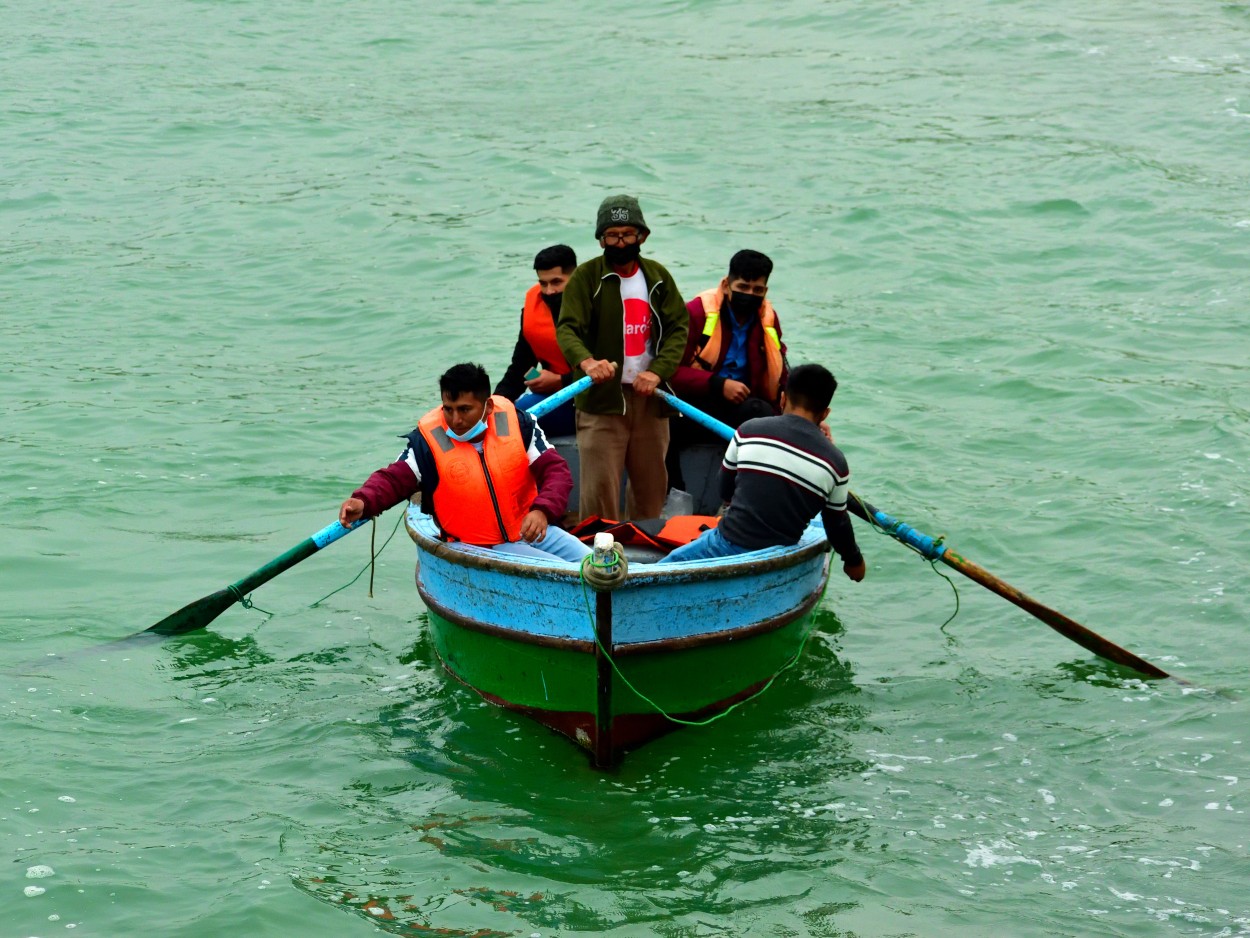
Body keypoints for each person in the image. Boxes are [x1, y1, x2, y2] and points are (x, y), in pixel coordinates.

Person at [339, 362, 590, 562]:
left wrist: (542, 511)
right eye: (448, 409)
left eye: (464, 409)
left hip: (532, 531)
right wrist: (363, 500)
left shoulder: (519, 425)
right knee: (562, 572)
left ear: (488, 406)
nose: (455, 419)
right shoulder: (428, 443)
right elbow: (393, 479)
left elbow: (556, 472)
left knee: (593, 563)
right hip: (483, 548)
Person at [658, 363, 866, 582]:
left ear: (783, 399)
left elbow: (725, 487)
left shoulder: (749, 430)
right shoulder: (836, 462)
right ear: (825, 414)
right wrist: (854, 561)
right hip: (780, 549)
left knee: (666, 566)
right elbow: (837, 523)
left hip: (728, 541)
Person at [555, 194, 689, 520]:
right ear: (601, 239)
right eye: (612, 235)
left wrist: (658, 372)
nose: (620, 242)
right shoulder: (586, 279)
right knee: (599, 491)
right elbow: (568, 329)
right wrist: (588, 363)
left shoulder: (657, 277)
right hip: (602, 401)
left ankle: (643, 556)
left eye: (627, 234)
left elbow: (678, 328)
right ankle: (599, 560)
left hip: (649, 398)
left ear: (642, 236)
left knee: (651, 487)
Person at [667, 249, 788, 489]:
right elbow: (669, 371)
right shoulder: (696, 313)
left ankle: (736, 497)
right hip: (692, 407)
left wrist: (807, 417)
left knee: (762, 414)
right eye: (743, 287)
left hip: (740, 410)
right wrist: (717, 384)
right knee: (661, 424)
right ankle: (673, 494)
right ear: (726, 284)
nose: (749, 295)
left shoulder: (769, 320)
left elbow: (781, 371)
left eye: (757, 290)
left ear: (765, 291)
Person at [494, 244, 579, 438]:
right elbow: (519, 369)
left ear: (576, 277)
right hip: (559, 398)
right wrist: (494, 405)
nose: (549, 291)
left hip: (595, 403)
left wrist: (560, 382)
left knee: (521, 414)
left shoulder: (598, 307)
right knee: (501, 416)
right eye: (543, 283)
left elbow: (613, 369)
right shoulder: (532, 310)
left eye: (557, 282)